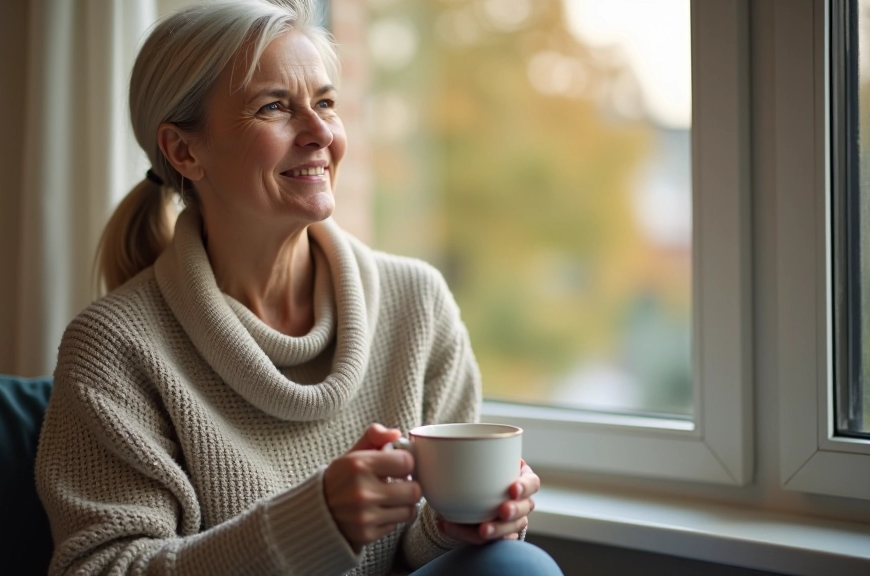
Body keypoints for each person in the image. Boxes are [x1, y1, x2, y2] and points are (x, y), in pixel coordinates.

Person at [34, 1, 563, 575]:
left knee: (516, 564)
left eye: (326, 103)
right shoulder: (114, 348)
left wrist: (453, 526)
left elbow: (416, 550)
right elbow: (102, 568)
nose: (319, 133)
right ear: (184, 150)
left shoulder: (418, 304)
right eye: (275, 106)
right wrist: (316, 522)